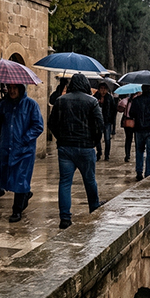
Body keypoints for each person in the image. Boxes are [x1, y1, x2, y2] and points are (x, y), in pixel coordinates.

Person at [48, 74, 103, 229]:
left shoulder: (60, 101)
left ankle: (65, 217)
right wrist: (94, 141)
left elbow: (52, 123)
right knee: (90, 179)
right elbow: (99, 124)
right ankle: (94, 207)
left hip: (66, 147)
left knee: (65, 182)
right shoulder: (92, 101)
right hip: (86, 147)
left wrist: (61, 138)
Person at [0, 83, 44, 222]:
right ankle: (25, 194)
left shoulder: (31, 105)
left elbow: (38, 126)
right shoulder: (4, 104)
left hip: (24, 150)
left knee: (20, 178)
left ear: (20, 89)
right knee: (10, 178)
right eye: (9, 88)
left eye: (14, 88)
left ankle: (16, 210)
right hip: (7, 148)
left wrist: (25, 138)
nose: (11, 91)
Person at [97, 83, 118, 161]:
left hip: (107, 121)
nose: (103, 90)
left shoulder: (110, 98)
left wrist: (113, 124)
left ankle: (107, 155)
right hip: (98, 121)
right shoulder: (95, 97)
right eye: (101, 88)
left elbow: (113, 111)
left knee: (107, 139)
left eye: (104, 89)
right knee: (97, 139)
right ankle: (99, 152)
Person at [118, 94, 135, 161]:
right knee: (129, 138)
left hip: (130, 121)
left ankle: (128, 155)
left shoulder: (126, 101)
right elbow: (120, 109)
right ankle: (127, 155)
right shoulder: (126, 101)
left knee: (129, 139)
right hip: (130, 121)